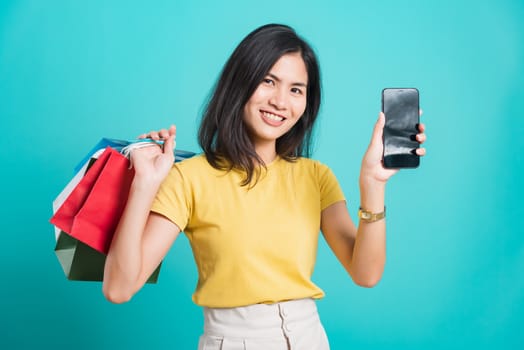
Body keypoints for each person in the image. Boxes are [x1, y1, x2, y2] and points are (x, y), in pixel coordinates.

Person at [102, 23, 427, 350]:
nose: (280, 102)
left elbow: (365, 274)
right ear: (240, 82)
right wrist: (144, 183)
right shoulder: (190, 178)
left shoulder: (316, 177)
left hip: (309, 337)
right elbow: (119, 289)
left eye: (296, 89)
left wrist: (373, 185)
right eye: (268, 81)